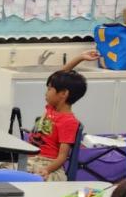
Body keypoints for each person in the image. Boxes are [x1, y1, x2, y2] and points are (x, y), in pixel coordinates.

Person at [26, 51, 95, 180]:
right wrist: (80, 57)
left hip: (47, 164)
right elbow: (58, 77)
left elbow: (62, 156)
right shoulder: (51, 109)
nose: (46, 93)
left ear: (63, 94)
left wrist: (46, 170)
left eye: (49, 89)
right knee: (3, 168)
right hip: (32, 159)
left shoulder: (68, 121)